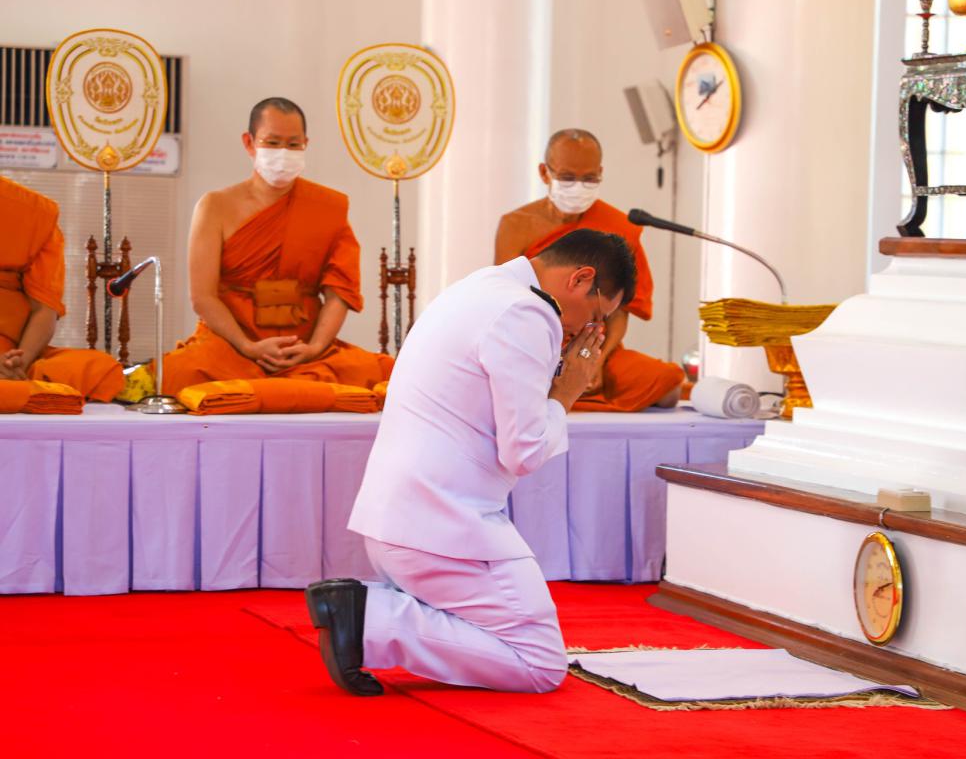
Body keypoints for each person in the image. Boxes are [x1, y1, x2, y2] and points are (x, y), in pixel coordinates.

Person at [305, 228, 637, 696]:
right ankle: (367, 619)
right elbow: (523, 451)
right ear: (581, 279)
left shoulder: (479, 286)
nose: (587, 330)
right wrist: (567, 392)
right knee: (540, 663)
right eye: (597, 315)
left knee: (516, 642)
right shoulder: (528, 312)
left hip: (400, 522)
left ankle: (367, 609)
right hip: (442, 526)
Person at [155, 97, 391, 397]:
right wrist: (247, 346)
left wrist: (315, 347)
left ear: (305, 144)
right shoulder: (215, 207)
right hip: (230, 348)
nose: (283, 153)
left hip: (303, 349)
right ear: (249, 143)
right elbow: (203, 297)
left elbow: (339, 292)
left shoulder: (328, 207)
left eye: (293, 144)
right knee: (179, 373)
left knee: (381, 373)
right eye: (273, 142)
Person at [494, 128, 683, 412]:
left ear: (601, 173)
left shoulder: (618, 226)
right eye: (568, 177)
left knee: (667, 387)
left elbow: (618, 310)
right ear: (545, 173)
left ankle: (571, 388)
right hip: (536, 342)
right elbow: (506, 298)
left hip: (593, 345)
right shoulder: (516, 225)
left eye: (589, 178)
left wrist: (596, 360)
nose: (579, 187)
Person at [0, 176, 123, 401]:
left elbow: (44, 308)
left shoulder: (33, 212)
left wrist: (18, 363)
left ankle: (13, 388)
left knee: (97, 367)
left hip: (10, 352)